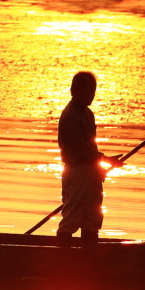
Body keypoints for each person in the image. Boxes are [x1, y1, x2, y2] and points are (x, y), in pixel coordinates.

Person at [57, 71, 122, 246]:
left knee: (93, 217)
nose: (92, 96)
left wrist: (99, 167)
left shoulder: (87, 113)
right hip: (77, 172)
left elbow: (91, 146)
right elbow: (81, 149)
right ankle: (60, 259)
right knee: (71, 217)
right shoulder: (70, 116)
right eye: (89, 91)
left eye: (94, 91)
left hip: (91, 171)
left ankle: (89, 256)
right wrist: (107, 160)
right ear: (75, 90)